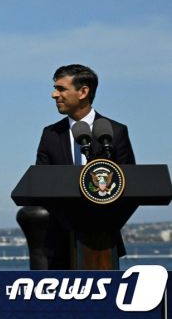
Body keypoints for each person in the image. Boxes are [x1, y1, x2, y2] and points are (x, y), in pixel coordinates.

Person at [35, 64, 135, 268]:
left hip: (104, 244)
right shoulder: (51, 135)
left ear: (83, 92)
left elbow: (131, 184)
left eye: (61, 89)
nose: (54, 95)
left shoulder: (115, 131)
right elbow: (40, 184)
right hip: (59, 245)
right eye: (55, 88)